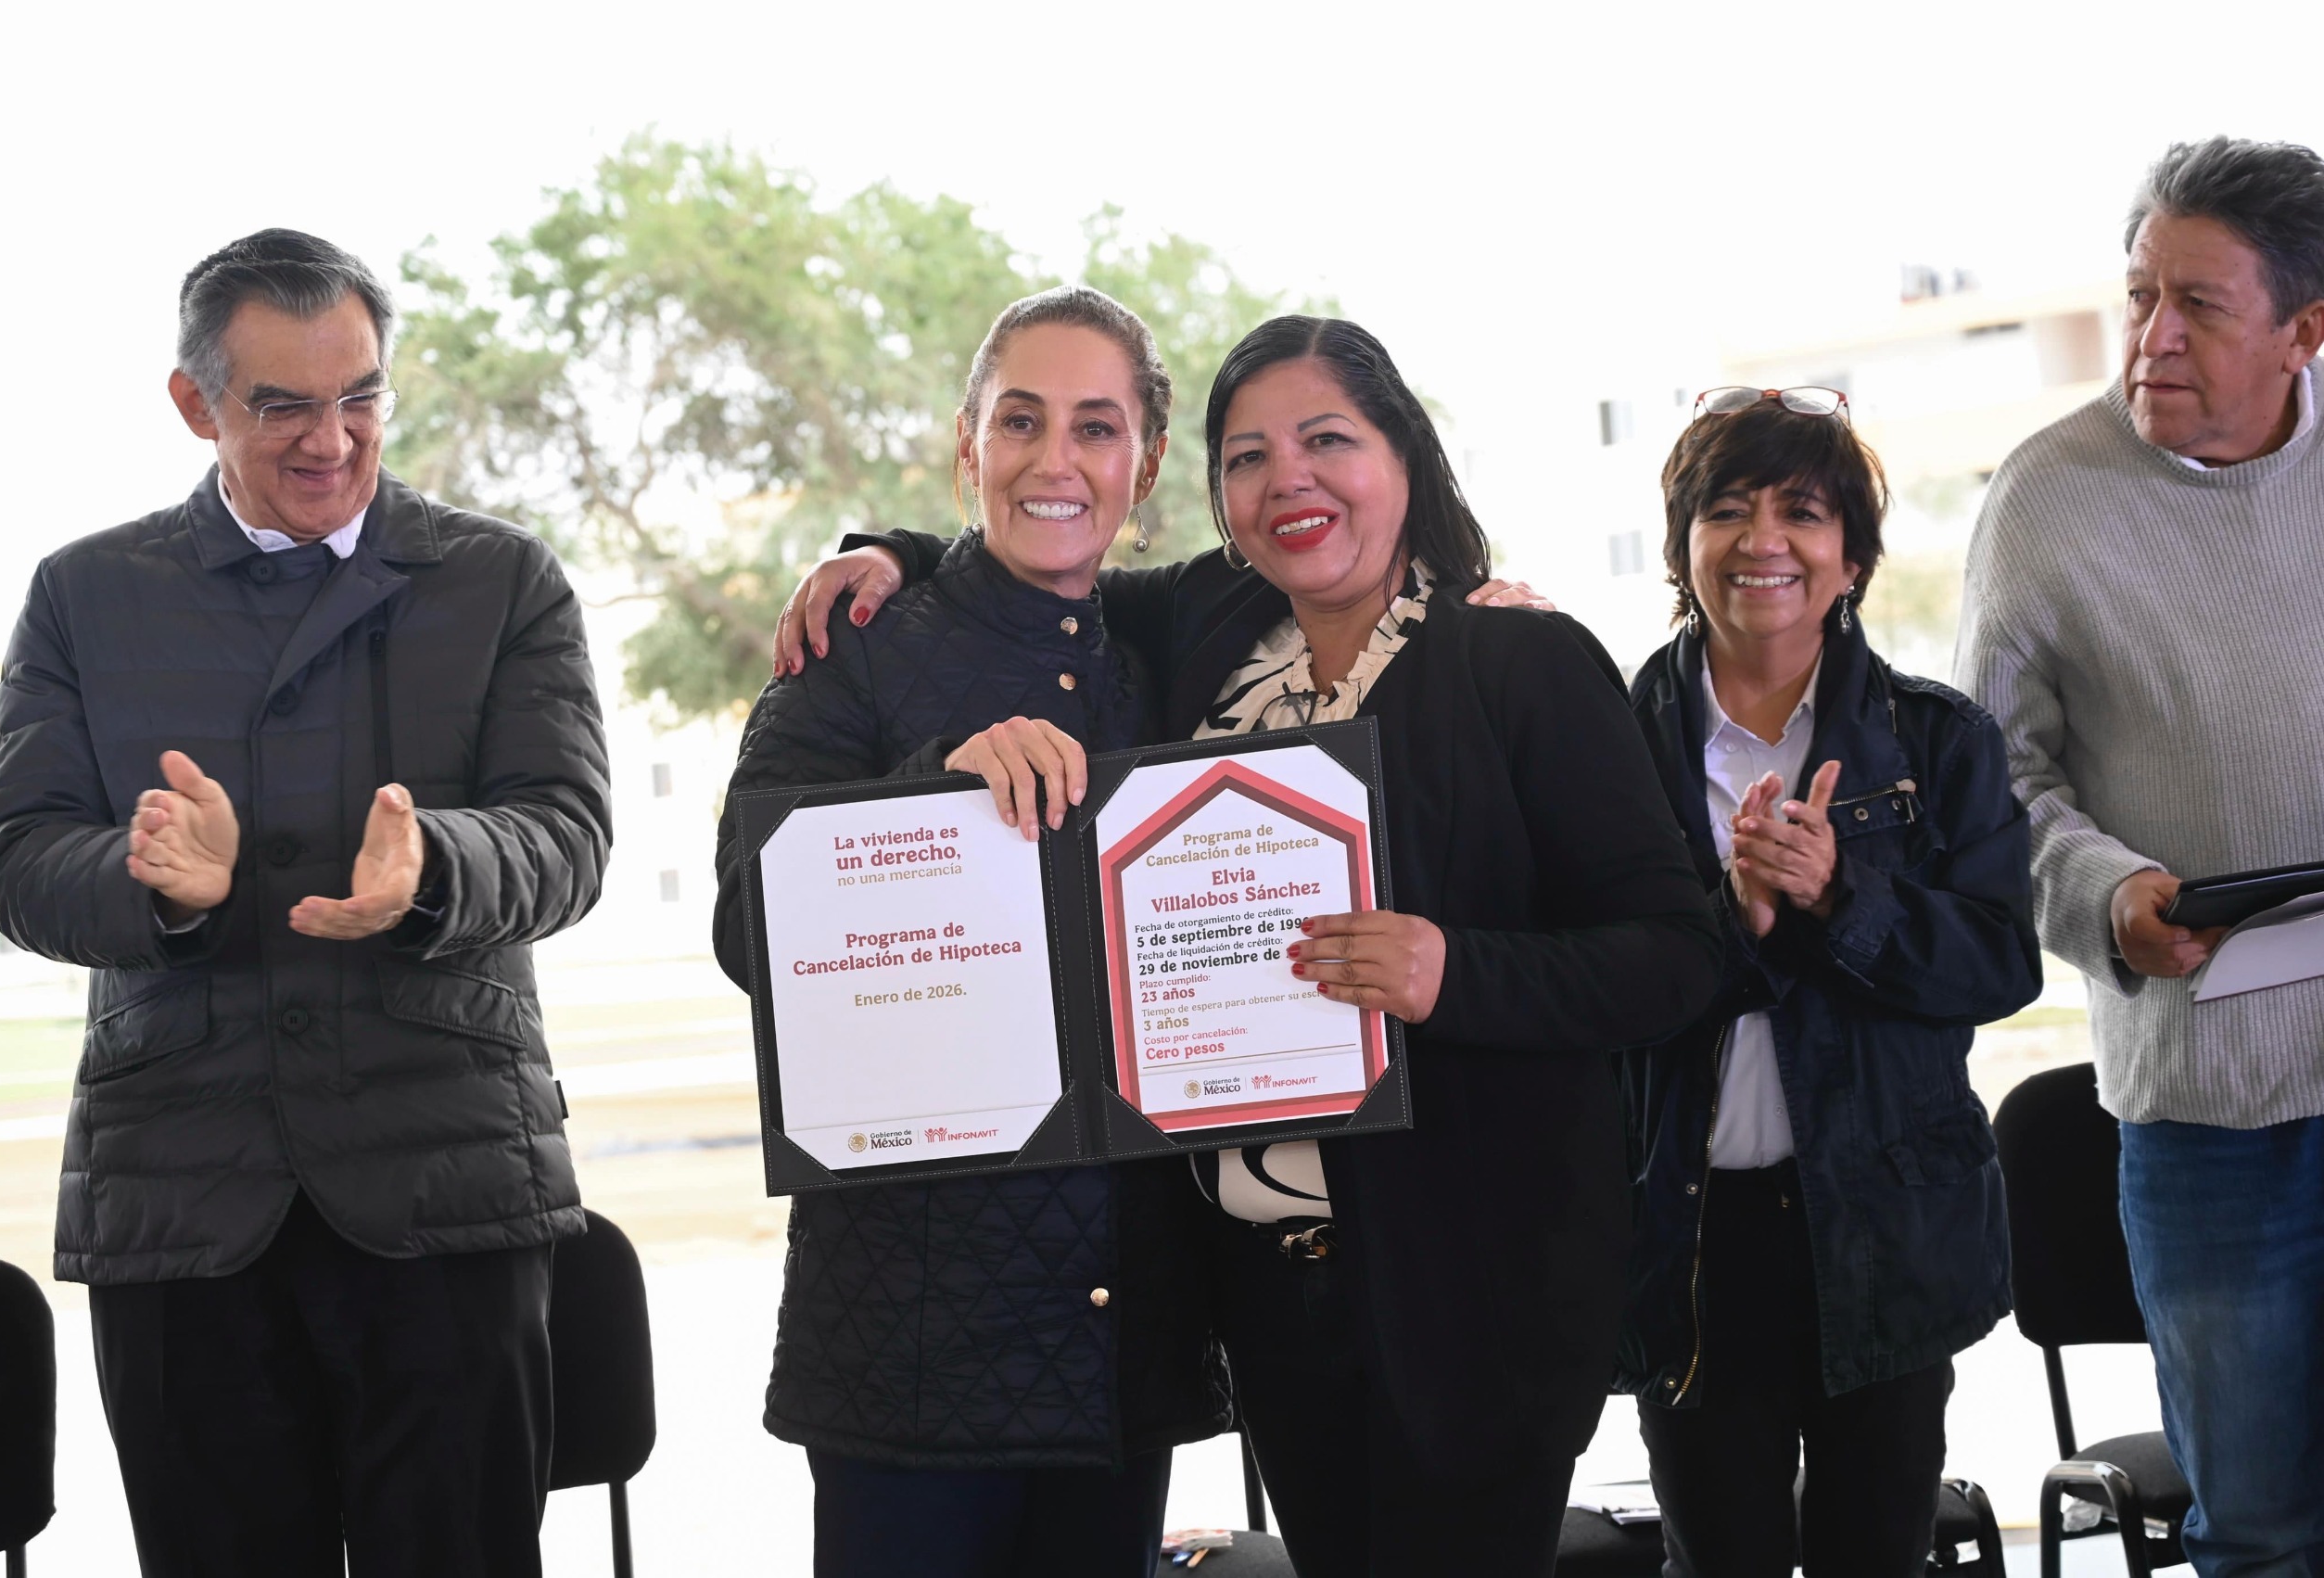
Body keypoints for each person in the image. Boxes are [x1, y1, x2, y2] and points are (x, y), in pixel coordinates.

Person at [777, 315, 1720, 1577]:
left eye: (1328, 440)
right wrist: (881, 554)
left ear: (1403, 452)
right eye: (1249, 456)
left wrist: (1452, 970)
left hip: (1469, 1292)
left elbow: (1678, 954)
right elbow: (1032, 559)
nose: (1290, 480)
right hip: (1271, 1299)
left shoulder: (1518, 658)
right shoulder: (1207, 638)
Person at [0, 229, 611, 1576]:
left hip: (445, 1181)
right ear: (194, 403)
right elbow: (20, 856)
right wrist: (157, 883)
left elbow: (567, 835)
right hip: (182, 1196)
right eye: (283, 407)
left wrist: (438, 867)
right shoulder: (84, 594)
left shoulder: (504, 580)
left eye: (360, 396)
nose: (333, 440)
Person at [710, 286, 1232, 1578]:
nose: (1055, 461)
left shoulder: (1164, 644)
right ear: (968, 442)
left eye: (1096, 427)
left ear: (1146, 463)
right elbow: (746, 927)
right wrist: (933, 804)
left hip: (1120, 1345)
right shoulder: (857, 646)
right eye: (1019, 420)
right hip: (907, 1348)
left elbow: (1347, 568)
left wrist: (1480, 598)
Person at [1955, 136, 2324, 1574]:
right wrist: (2107, 899)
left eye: (2200, 305)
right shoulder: (2049, 497)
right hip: (2207, 1110)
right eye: (2138, 295)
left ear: (2304, 328)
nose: (2154, 336)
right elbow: (1994, 775)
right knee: (2265, 1534)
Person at [1618, 389, 2039, 1573]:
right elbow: (1586, 986)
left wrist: (1839, 895)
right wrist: (1735, 921)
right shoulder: (1607, 744)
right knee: (1719, 1555)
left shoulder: (1938, 740)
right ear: (1680, 547)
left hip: (1883, 1221)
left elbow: (2000, 960)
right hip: (1689, 1235)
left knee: (1876, 1549)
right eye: (1726, 509)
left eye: (1801, 513)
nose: (1762, 540)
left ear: (1851, 559)